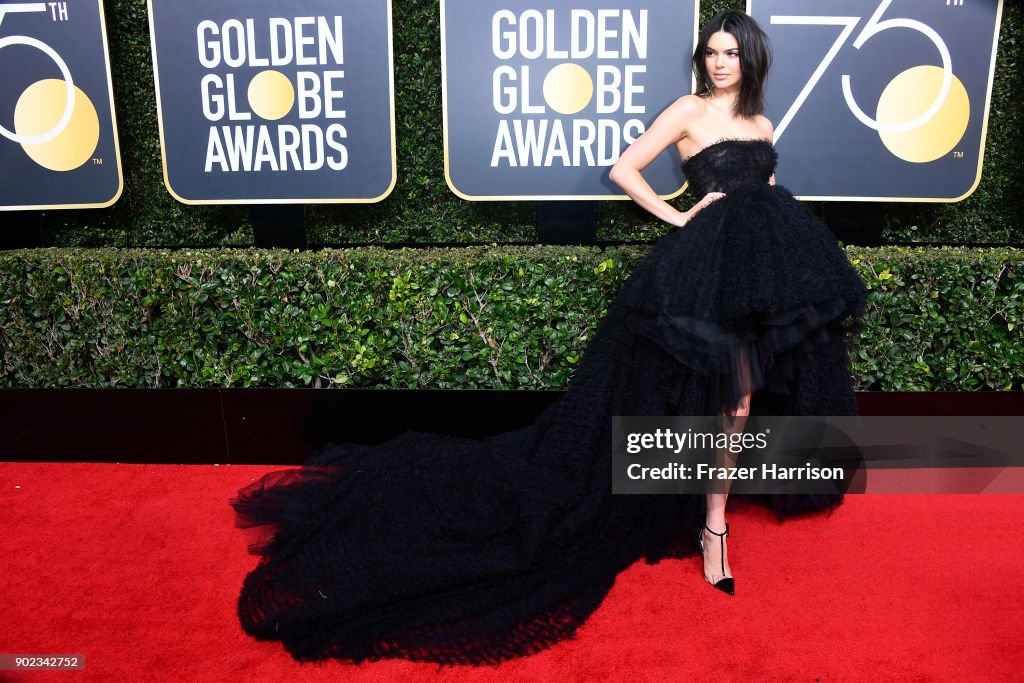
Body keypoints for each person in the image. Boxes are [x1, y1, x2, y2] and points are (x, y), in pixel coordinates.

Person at [232, 10, 866, 666]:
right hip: (700, 268)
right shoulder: (688, 111)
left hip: (754, 274)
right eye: (712, 52)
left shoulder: (762, 123)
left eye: (731, 52)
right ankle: (712, 528)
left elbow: (761, 188)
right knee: (719, 399)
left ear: (752, 58)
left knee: (745, 396)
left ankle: (711, 516)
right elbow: (626, 169)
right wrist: (679, 213)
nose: (719, 62)